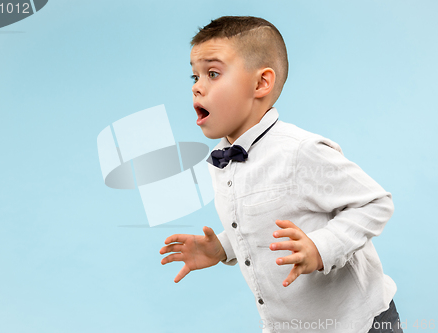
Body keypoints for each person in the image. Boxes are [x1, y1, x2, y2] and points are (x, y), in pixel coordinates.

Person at [160, 16, 403, 333]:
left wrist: (320, 248)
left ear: (261, 84)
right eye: (194, 76)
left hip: (358, 323)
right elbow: (259, 224)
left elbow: (375, 203)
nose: (197, 86)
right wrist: (223, 247)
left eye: (213, 73)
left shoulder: (300, 152)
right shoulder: (222, 161)